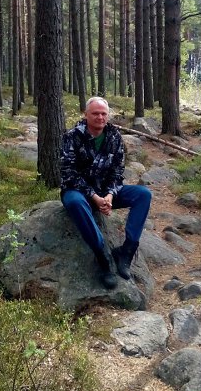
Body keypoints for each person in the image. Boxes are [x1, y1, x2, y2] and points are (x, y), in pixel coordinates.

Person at [60, 96, 152, 289]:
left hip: (105, 192)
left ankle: (126, 251)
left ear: (108, 115)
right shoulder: (72, 136)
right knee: (75, 202)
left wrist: (109, 195)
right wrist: (94, 197)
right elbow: (69, 173)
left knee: (143, 194)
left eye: (103, 114)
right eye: (95, 113)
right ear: (86, 114)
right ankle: (103, 256)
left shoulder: (114, 136)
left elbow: (117, 172)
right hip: (78, 192)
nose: (100, 117)